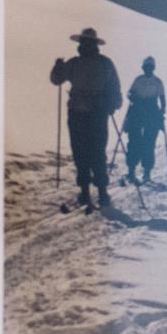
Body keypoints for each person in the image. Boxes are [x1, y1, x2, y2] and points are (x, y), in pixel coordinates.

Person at [50, 27, 121, 213]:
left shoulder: (82, 64)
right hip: (88, 114)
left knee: (91, 153)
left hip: (86, 113)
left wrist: (113, 103)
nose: (85, 45)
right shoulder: (98, 63)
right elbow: (56, 79)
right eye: (84, 42)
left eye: (88, 42)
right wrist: (58, 68)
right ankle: (93, 192)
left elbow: (114, 88)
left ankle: (96, 192)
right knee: (85, 153)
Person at [125, 57, 166, 184]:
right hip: (137, 110)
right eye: (146, 67)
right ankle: (131, 171)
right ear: (143, 68)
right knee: (134, 141)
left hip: (151, 111)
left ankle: (147, 172)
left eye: (150, 67)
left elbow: (162, 98)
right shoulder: (138, 80)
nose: (148, 69)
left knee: (149, 142)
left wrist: (162, 112)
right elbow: (130, 93)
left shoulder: (157, 82)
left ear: (153, 68)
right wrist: (131, 97)